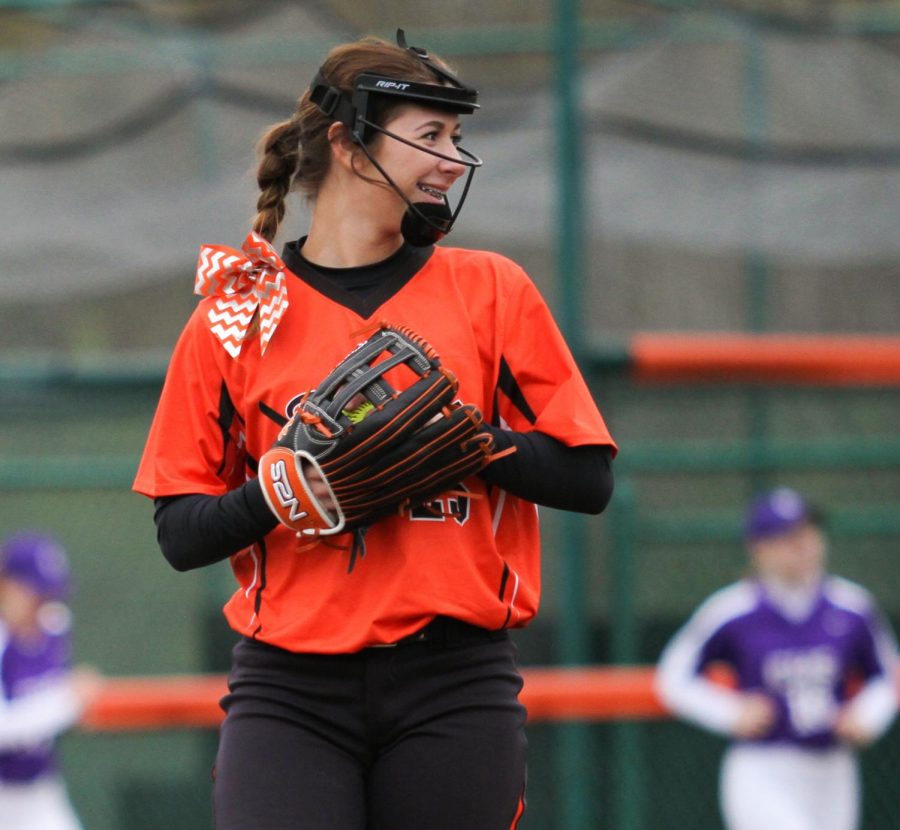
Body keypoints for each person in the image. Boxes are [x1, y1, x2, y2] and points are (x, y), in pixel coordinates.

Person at [133, 29, 616, 830]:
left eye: (455, 139)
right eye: (430, 135)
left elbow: (587, 478)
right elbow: (181, 531)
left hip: (453, 682)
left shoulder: (491, 288)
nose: (452, 159)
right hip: (290, 690)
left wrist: (469, 442)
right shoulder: (239, 308)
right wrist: (275, 493)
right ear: (350, 146)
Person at [655, 486, 898, 830]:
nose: (805, 544)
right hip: (764, 766)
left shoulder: (852, 607)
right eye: (789, 536)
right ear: (759, 548)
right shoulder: (734, 610)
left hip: (833, 767)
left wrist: (868, 716)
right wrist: (729, 712)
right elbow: (673, 676)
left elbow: (888, 676)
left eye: (810, 532)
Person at [0, 531, 100, 830]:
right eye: (36, 595)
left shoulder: (55, 624)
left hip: (40, 792)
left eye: (50, 595)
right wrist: (67, 702)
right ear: (6, 586)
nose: (44, 605)